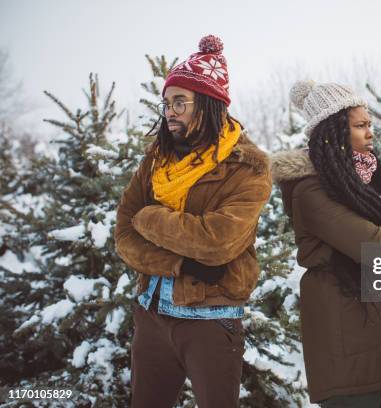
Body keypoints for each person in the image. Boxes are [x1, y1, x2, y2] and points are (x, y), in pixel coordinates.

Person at [114, 34, 272, 408]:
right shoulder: (155, 160)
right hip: (151, 313)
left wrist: (149, 217)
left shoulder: (248, 166)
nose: (170, 111)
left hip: (210, 319)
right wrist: (180, 262)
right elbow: (123, 234)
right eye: (167, 102)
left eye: (180, 102)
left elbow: (218, 242)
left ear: (209, 105)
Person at [270, 80, 381, 407]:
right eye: (360, 126)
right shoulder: (310, 191)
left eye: (369, 124)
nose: (370, 132)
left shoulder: (370, 180)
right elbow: (375, 248)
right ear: (333, 133)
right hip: (349, 351)